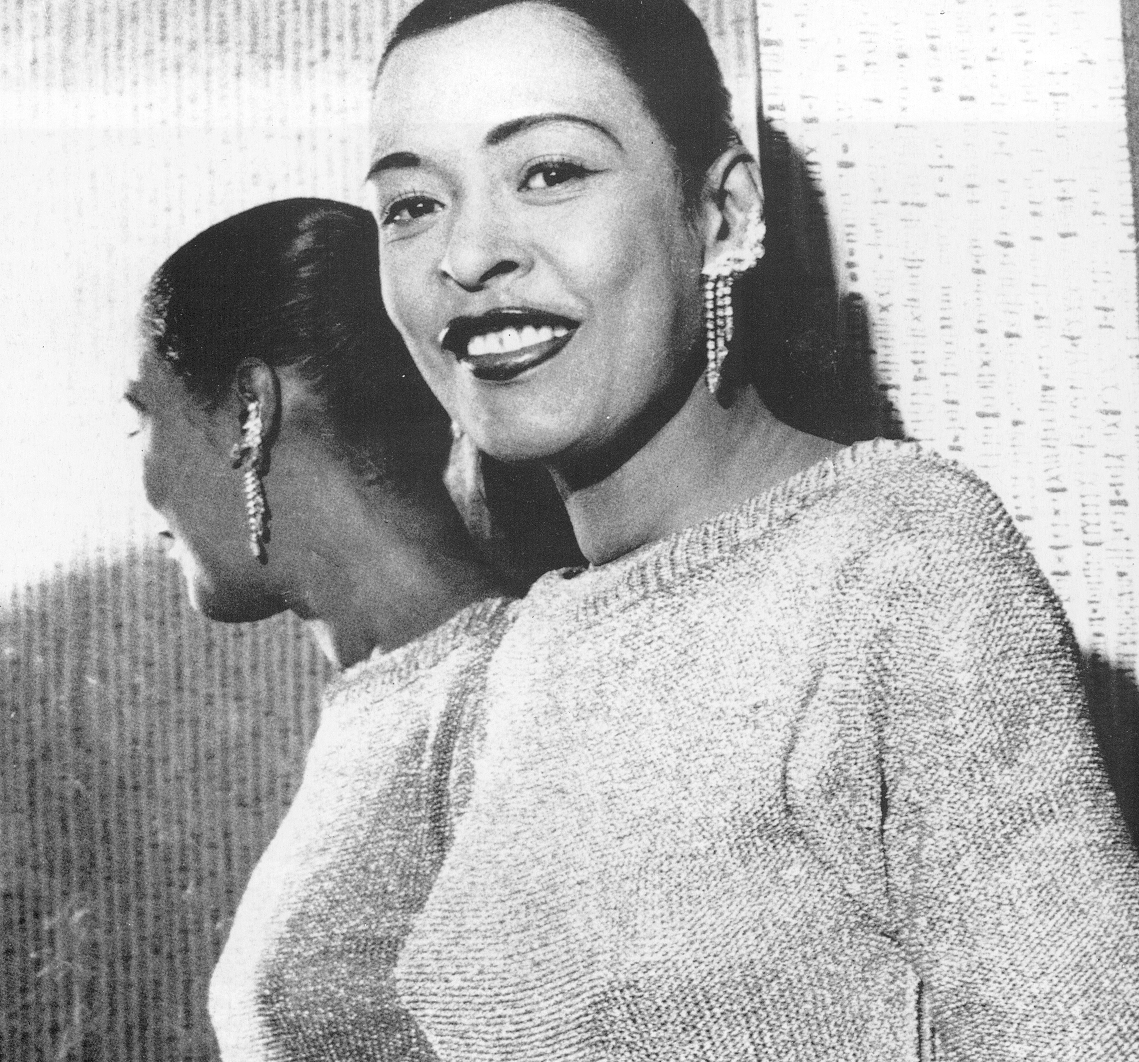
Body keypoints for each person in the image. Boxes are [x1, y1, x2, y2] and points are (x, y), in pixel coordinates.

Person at [362, 1, 1139, 1059]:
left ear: (723, 213)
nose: (467, 254)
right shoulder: (520, 657)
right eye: (411, 204)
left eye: (548, 172)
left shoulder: (901, 560)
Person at [126, 198, 575, 1059]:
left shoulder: (512, 704)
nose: (141, 480)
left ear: (250, 412)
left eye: (140, 416)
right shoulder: (389, 705)